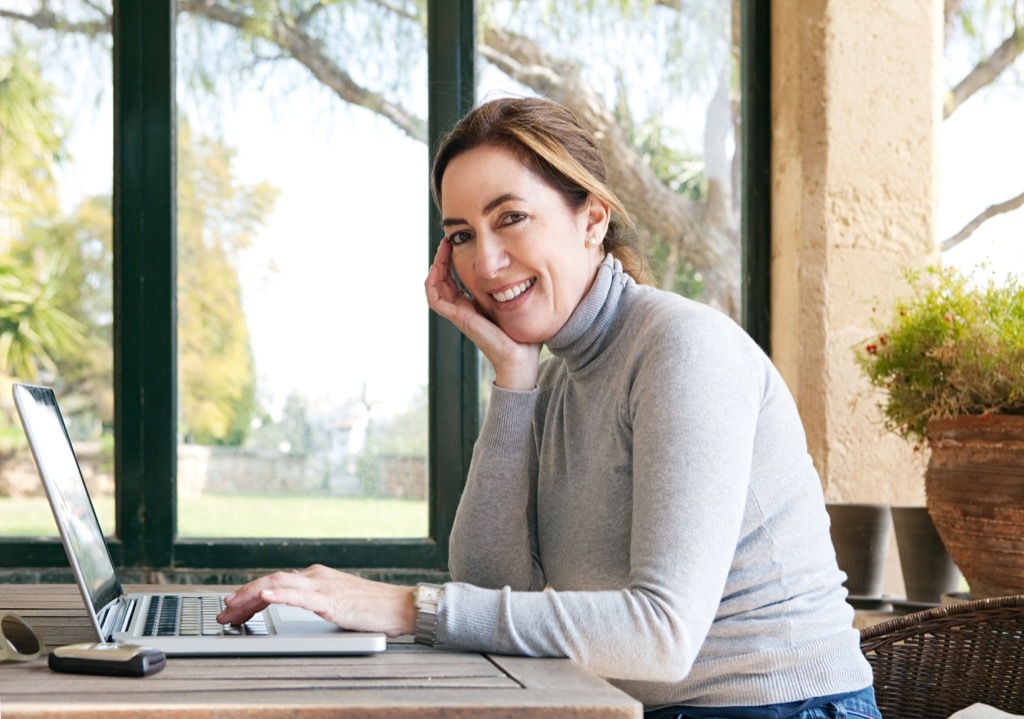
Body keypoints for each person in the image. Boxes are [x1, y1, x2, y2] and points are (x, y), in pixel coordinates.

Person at [218, 96, 880, 719]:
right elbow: (489, 586)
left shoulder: (683, 348)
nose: (486, 262)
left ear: (593, 220)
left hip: (776, 707)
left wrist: (406, 607)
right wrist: (513, 380)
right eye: (462, 235)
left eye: (510, 218)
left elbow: (660, 637)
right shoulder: (555, 377)